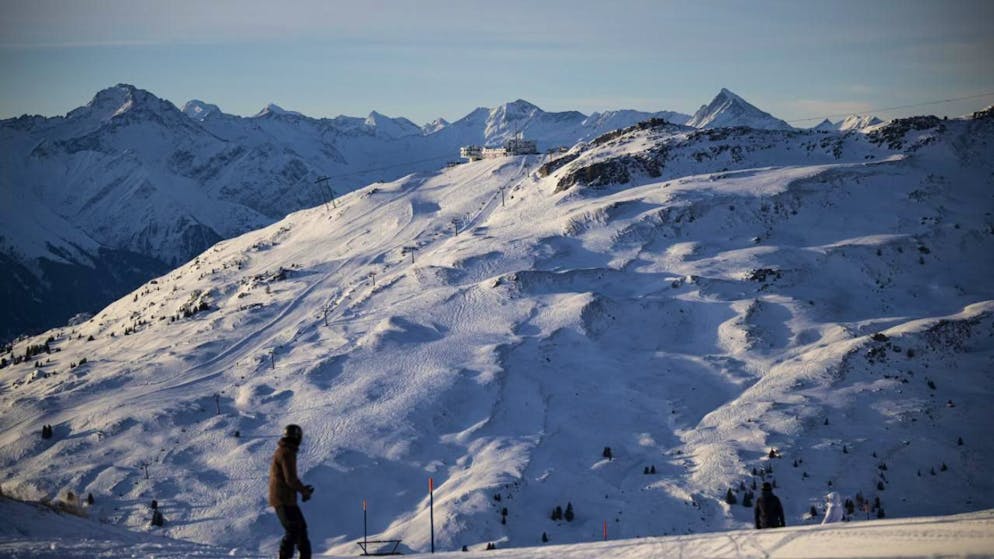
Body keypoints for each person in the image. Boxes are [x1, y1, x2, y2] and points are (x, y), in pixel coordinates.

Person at [269, 424, 315, 559]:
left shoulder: (285, 451)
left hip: (286, 498)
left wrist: (303, 490)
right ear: (297, 437)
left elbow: (290, 479)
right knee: (294, 529)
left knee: (300, 529)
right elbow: (291, 479)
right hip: (283, 499)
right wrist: (304, 491)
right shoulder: (287, 452)